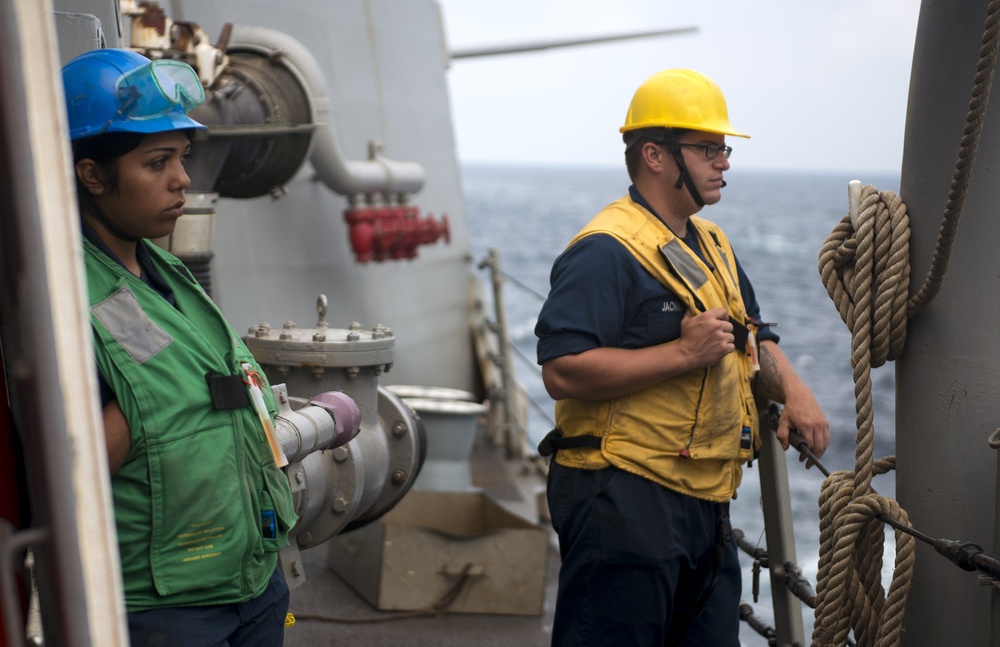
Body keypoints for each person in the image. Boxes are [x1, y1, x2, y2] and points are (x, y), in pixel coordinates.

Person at [534, 68, 830, 646]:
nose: (723, 161)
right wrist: (682, 352)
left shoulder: (711, 242)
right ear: (655, 155)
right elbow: (562, 370)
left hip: (704, 500)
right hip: (622, 495)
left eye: (723, 149)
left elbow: (752, 334)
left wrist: (795, 391)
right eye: (708, 149)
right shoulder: (605, 251)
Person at [62, 48, 297, 646]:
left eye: (183, 158)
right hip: (168, 611)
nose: (183, 180)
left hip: (251, 584)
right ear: (92, 174)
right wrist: (149, 409)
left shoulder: (164, 271)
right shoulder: (59, 297)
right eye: (157, 161)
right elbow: (65, 471)